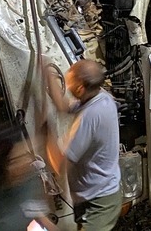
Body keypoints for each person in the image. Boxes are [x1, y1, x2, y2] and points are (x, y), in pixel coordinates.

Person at [47, 60, 121, 231]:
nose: (68, 87)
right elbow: (64, 107)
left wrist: (46, 134)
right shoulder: (100, 97)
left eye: (70, 83)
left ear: (80, 89)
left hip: (100, 202)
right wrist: (48, 76)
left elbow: (60, 164)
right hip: (91, 195)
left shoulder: (90, 116)